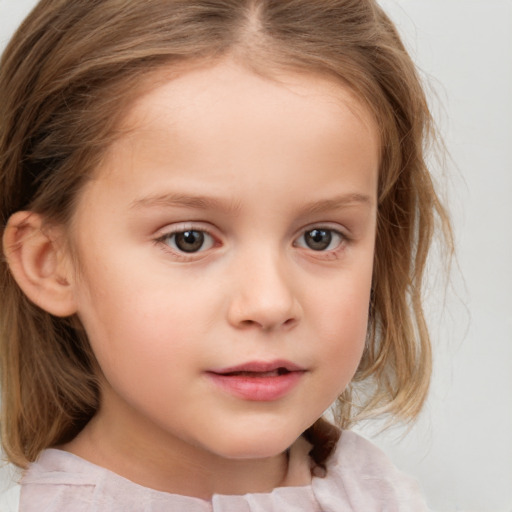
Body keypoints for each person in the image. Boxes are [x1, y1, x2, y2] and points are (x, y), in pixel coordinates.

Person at [0, 1, 451, 510]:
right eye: (188, 239)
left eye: (320, 237)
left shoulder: (376, 491)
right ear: (50, 263)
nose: (269, 302)